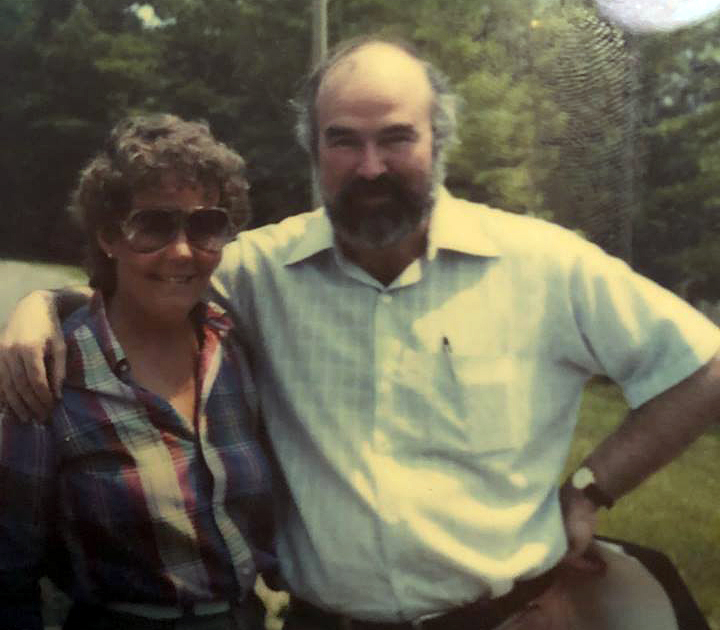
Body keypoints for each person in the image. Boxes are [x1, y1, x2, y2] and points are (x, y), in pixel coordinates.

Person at [2, 37, 720, 629]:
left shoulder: (544, 265)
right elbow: (152, 279)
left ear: (439, 141)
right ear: (313, 151)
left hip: (509, 617)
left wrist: (590, 492)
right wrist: (40, 304)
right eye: (343, 141)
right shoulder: (262, 270)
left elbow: (704, 366)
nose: (370, 166)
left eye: (396, 137)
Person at [0, 114, 274, 630]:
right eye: (153, 225)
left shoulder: (234, 347)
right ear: (109, 236)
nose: (182, 251)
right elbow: (10, 573)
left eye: (206, 225)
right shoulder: (52, 373)